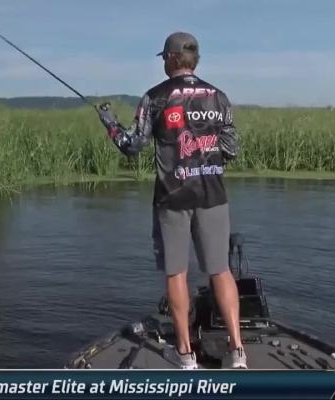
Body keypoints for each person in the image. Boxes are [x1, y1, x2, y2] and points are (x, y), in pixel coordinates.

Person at [96, 32, 246, 369]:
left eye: (165, 57)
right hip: (213, 194)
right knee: (220, 270)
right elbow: (231, 150)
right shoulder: (219, 97)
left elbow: (132, 145)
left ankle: (184, 354)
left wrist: (110, 125)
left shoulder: (155, 97)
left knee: (176, 273)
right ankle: (237, 351)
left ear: (172, 59)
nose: (164, 61)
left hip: (172, 197)